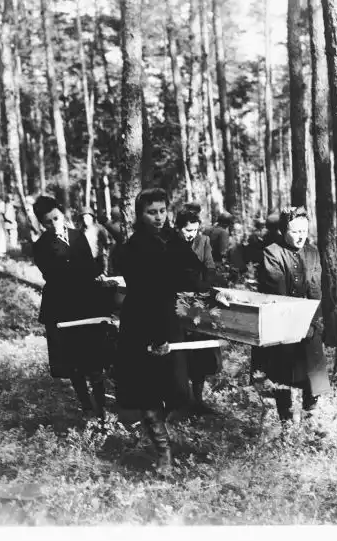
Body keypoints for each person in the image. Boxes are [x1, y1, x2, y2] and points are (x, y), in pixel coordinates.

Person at [114, 188, 218, 472]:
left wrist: (213, 293)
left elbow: (192, 273)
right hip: (142, 323)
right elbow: (143, 290)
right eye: (152, 212)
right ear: (140, 215)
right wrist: (154, 337)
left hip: (169, 321)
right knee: (146, 389)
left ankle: (161, 431)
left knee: (174, 387)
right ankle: (164, 454)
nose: (159, 217)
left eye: (162, 211)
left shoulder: (173, 240)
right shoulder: (132, 247)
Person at [32, 196, 112, 421]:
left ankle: (102, 408)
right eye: (48, 222)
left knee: (95, 360)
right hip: (63, 306)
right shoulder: (41, 246)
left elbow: (89, 264)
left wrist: (97, 275)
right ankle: (87, 407)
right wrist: (81, 274)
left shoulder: (78, 236)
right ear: (41, 224)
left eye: (56, 218)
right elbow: (52, 275)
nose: (54, 224)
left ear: (62, 214)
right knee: (74, 362)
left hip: (87, 304)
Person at [251, 207, 331, 424]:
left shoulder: (312, 252)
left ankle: (310, 420)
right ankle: (286, 423)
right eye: (295, 232)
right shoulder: (272, 253)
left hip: (309, 322)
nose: (301, 236)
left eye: (304, 231)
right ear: (283, 231)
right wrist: (295, 321)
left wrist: (314, 321)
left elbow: (315, 289)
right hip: (281, 323)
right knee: (282, 376)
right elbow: (278, 292)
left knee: (312, 375)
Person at [174, 206, 224, 415]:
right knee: (180, 353)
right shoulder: (170, 244)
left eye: (194, 230)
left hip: (199, 300)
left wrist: (207, 287)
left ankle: (198, 401)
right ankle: (180, 401)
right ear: (178, 228)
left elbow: (210, 267)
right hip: (176, 302)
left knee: (200, 353)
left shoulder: (203, 241)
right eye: (187, 230)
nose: (191, 234)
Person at [79, 206, 110, 276]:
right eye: (83, 218)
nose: (85, 220)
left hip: (98, 260)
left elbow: (106, 245)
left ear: (92, 218)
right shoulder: (80, 231)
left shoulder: (99, 228)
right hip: (86, 261)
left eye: (88, 217)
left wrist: (106, 265)